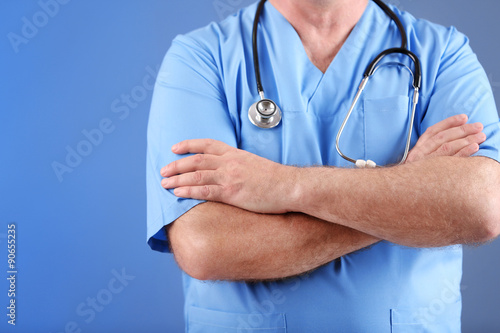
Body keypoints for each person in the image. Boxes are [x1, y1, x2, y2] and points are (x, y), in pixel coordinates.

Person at [146, 0, 500, 331]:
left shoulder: (443, 54)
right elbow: (206, 246)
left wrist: (281, 185)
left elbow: (483, 206)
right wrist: (411, 199)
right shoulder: (201, 58)